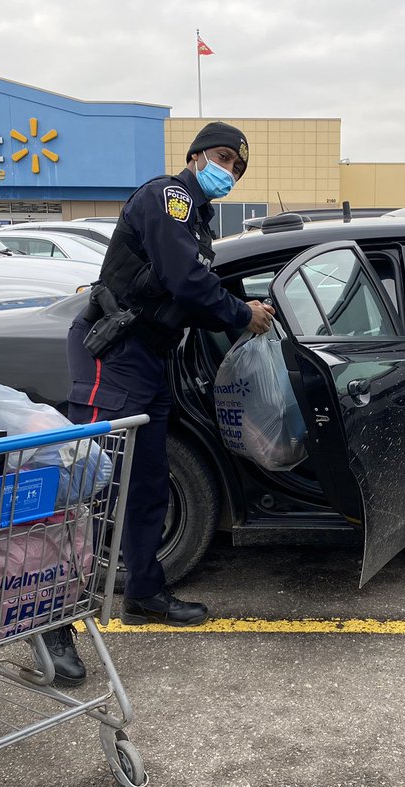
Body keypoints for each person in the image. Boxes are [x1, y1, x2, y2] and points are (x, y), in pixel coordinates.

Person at [44, 121, 275, 685]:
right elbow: (185, 279)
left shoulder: (199, 221)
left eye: (238, 167)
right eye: (223, 158)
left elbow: (190, 291)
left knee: (146, 484)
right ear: (195, 157)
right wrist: (241, 315)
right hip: (113, 352)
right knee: (88, 486)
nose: (229, 171)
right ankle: (51, 623)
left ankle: (144, 593)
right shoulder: (169, 198)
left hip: (149, 359)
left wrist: (245, 309)